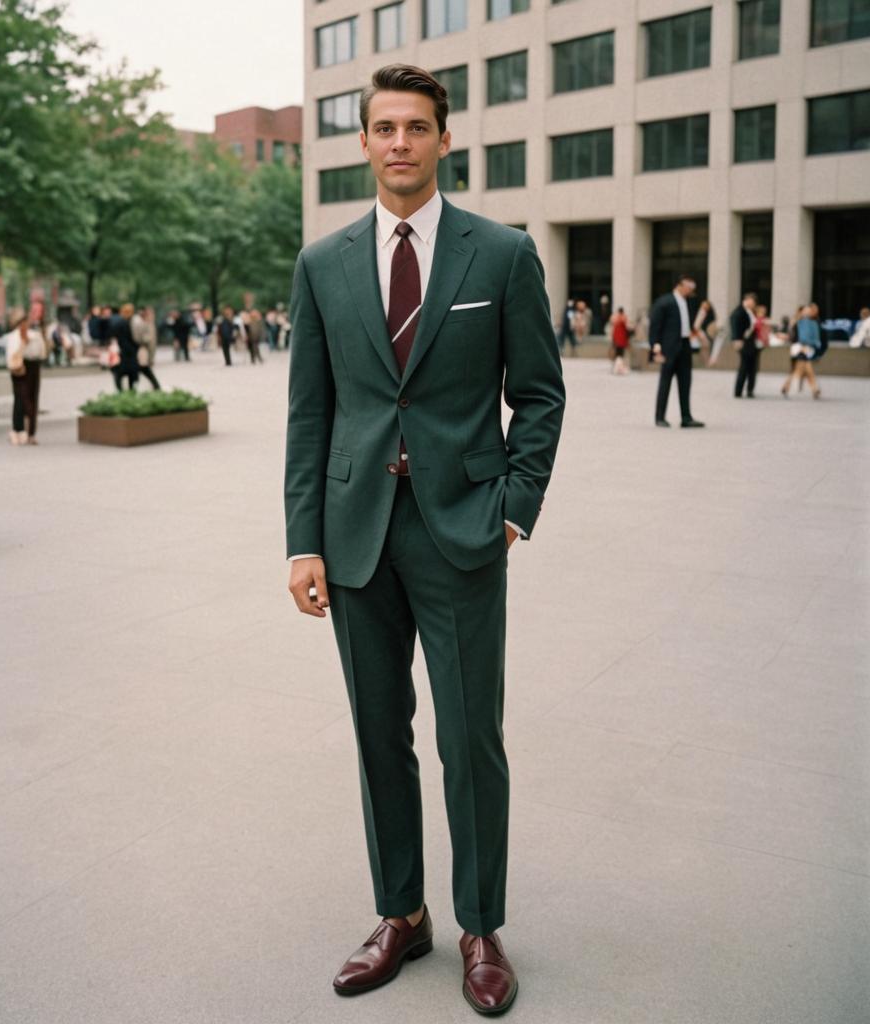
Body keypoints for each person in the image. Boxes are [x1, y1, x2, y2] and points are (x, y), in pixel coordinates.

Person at [284, 63, 565, 1017]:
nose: (399, 141)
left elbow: (539, 396)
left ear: (446, 140)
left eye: (416, 126)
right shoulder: (323, 265)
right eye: (383, 127)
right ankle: (400, 915)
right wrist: (301, 542)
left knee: (470, 736)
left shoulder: (503, 254)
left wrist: (514, 507)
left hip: (462, 533)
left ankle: (481, 925)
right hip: (355, 535)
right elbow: (309, 414)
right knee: (377, 733)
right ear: (362, 142)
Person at [649, 275, 705, 428]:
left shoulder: (688, 302)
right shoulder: (664, 302)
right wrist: (655, 346)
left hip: (685, 345)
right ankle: (660, 417)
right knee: (665, 382)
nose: (691, 289)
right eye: (689, 286)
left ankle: (686, 417)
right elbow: (655, 327)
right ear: (680, 285)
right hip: (669, 347)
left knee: (685, 382)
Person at [5, 306, 47, 445]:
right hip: (20, 368)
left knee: (33, 399)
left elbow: (42, 352)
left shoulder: (35, 335)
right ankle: (18, 429)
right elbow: (12, 356)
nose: (25, 323)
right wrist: (24, 342)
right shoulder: (13, 337)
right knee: (21, 399)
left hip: (33, 367)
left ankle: (30, 432)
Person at [782, 303, 823, 399]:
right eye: (805, 310)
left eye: (809, 310)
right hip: (798, 348)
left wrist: (809, 345)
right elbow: (793, 336)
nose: (807, 312)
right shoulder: (797, 322)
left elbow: (816, 338)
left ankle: (786, 387)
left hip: (807, 348)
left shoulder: (813, 323)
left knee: (800, 369)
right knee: (804, 368)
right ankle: (814, 389)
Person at [730, 292, 760, 398]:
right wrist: (736, 339)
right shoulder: (739, 312)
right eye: (752, 301)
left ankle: (750, 389)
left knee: (753, 367)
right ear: (747, 300)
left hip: (752, 342)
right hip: (744, 342)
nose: (753, 304)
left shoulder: (750, 312)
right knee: (744, 366)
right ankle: (738, 391)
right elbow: (734, 324)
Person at [109, 303, 138, 391]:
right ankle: (129, 391)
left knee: (120, 372)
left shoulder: (118, 322)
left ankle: (121, 391)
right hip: (127, 351)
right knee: (130, 373)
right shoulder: (127, 323)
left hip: (121, 351)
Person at [132, 306, 161, 389]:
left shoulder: (146, 323)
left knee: (142, 370)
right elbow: (149, 342)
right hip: (143, 351)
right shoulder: (144, 324)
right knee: (144, 369)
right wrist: (151, 358)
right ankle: (156, 386)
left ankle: (155, 386)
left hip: (144, 351)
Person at [609, 306, 631, 374]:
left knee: (617, 353)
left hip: (616, 338)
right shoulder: (623, 318)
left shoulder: (615, 318)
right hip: (622, 339)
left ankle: (616, 367)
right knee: (620, 354)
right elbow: (627, 328)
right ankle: (619, 368)